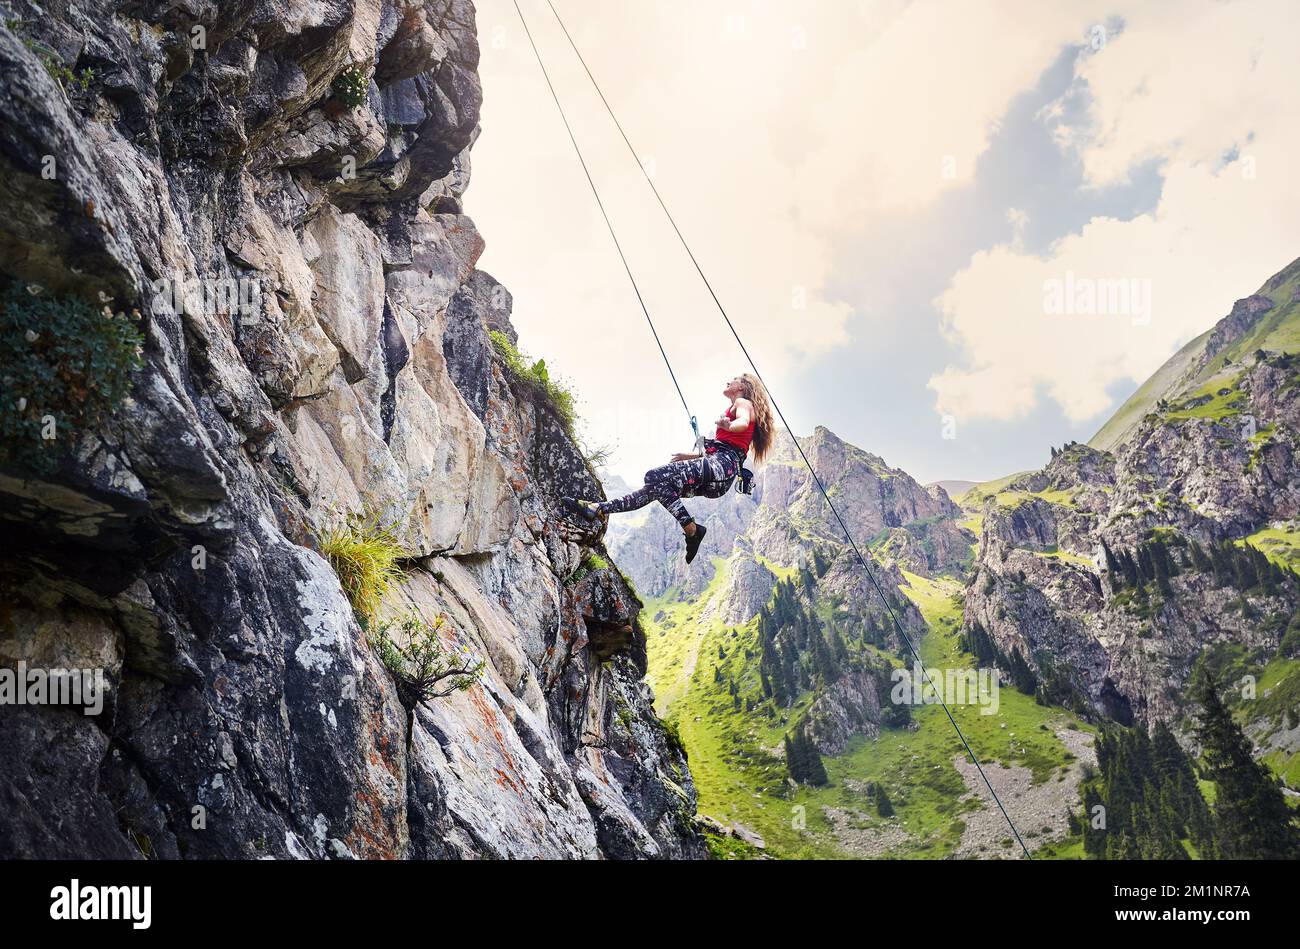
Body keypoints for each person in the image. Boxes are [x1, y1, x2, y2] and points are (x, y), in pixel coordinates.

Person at [564, 373, 773, 564]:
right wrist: (691, 456)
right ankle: (599, 509)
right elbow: (727, 447)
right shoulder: (738, 406)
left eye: (734, 379)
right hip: (719, 476)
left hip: (720, 467)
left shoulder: (742, 402)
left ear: (742, 387)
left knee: (653, 476)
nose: (729, 381)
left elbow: (743, 423)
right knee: (657, 488)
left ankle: (692, 529)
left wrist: (728, 425)